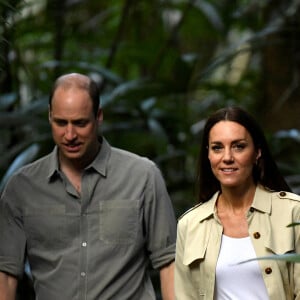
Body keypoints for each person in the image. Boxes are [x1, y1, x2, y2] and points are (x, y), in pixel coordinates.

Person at [0, 73, 176, 300]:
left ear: (98, 116)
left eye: (80, 123)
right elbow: (5, 275)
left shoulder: (143, 177)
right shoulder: (22, 188)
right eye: (61, 123)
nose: (70, 135)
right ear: (49, 117)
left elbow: (169, 264)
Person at [175, 106, 300, 299]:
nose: (227, 158)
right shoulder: (190, 224)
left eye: (238, 146)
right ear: (208, 155)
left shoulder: (293, 212)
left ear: (257, 152)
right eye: (217, 148)